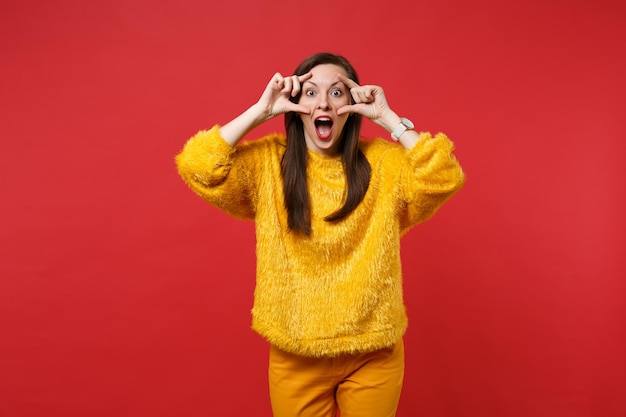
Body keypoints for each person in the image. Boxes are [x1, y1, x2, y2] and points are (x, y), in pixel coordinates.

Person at [175, 52, 465, 417]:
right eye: (310, 93)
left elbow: (444, 177)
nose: (324, 102)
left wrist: (388, 118)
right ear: (295, 105)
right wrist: (261, 111)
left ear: (354, 104)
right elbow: (197, 166)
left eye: (338, 93)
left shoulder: (384, 164)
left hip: (372, 351)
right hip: (296, 353)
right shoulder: (267, 164)